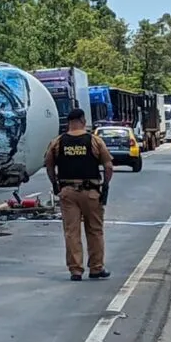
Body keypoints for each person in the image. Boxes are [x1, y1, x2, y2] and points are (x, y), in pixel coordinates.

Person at [45, 108, 115, 282]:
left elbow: (49, 165)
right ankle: (96, 268)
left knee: (71, 232)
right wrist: (105, 186)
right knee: (95, 231)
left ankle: (76, 270)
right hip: (91, 191)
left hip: (67, 191)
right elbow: (108, 166)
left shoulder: (58, 142)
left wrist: (55, 184)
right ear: (83, 120)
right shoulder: (95, 141)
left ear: (68, 122)